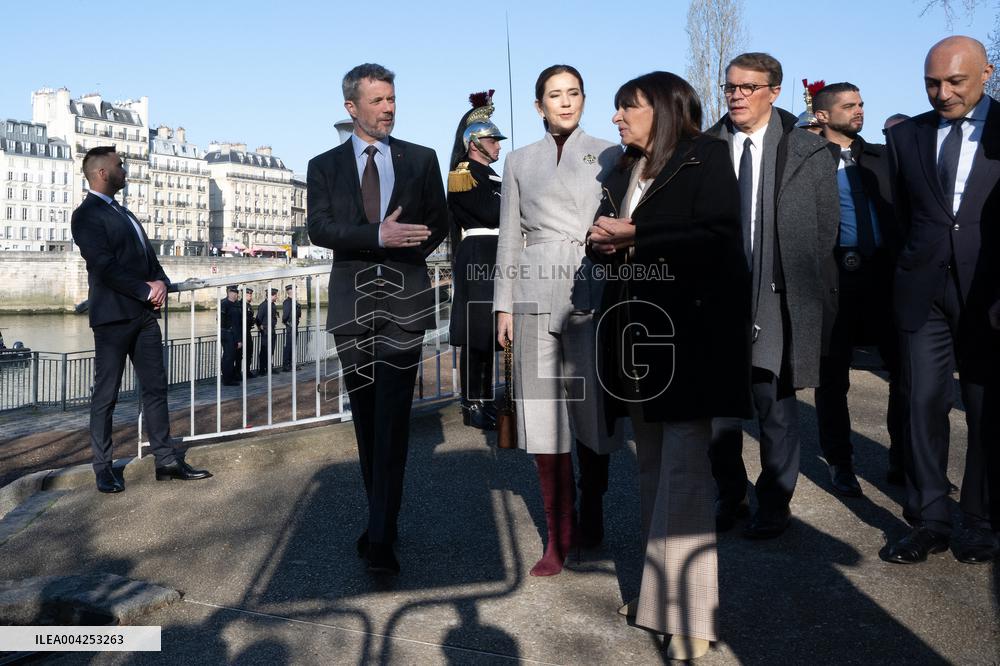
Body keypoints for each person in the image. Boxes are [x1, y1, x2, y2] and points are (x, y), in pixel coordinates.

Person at [588, 71, 751, 662]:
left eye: (626, 107)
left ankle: (693, 618)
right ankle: (659, 601)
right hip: (635, 344)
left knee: (684, 480)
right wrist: (601, 240)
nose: (616, 118)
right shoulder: (625, 170)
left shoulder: (707, 156)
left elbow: (719, 237)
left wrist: (638, 233)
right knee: (652, 473)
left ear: (661, 108)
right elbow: (611, 238)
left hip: (687, 342)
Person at [307, 63, 448, 575]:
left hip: (404, 305)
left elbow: (439, 221)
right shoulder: (323, 166)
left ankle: (382, 536)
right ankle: (379, 519)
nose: (388, 108)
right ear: (352, 107)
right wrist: (377, 236)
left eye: (392, 99)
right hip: (353, 307)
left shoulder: (421, 158)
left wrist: (404, 253)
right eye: (378, 101)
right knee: (366, 423)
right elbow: (319, 228)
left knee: (392, 421)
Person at [493, 64, 622, 577]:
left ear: (584, 99)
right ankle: (557, 533)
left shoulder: (611, 153)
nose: (565, 102)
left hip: (591, 284)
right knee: (541, 412)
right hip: (532, 290)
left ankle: (593, 505)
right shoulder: (518, 160)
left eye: (573, 93)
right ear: (538, 105)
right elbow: (508, 237)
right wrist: (503, 304)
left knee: (591, 411)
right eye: (554, 94)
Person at [705, 52, 840, 539]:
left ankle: (775, 504)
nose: (736, 96)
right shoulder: (705, 148)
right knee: (719, 415)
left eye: (748, 87)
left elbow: (825, 229)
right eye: (730, 87)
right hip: (717, 299)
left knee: (775, 408)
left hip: (778, 293)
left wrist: (791, 282)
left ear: (774, 92)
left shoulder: (808, 151)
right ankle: (730, 496)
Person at [884, 36, 1000, 565]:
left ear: (987, 73)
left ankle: (980, 520)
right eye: (932, 83)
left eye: (955, 81)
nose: (942, 93)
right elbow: (902, 216)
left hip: (988, 295)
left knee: (986, 409)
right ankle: (929, 519)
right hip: (922, 291)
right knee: (921, 404)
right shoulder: (906, 136)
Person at [71, 146, 211, 493]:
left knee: (156, 389)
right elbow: (103, 266)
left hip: (144, 315)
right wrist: (145, 290)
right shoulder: (86, 215)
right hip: (113, 318)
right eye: (120, 165)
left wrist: (161, 282)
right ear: (102, 173)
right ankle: (103, 468)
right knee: (106, 395)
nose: (125, 170)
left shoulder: (125, 212)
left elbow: (148, 257)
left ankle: (165, 460)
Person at [812, 82, 905, 495]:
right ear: (822, 115)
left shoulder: (883, 159)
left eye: (861, 104)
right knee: (832, 378)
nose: (859, 110)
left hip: (886, 275)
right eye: (849, 105)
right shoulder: (810, 163)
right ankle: (840, 463)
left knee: (904, 371)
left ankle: (903, 458)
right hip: (834, 276)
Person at [447, 90, 506, 430]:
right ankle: (474, 403)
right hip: (479, 255)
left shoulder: (495, 176)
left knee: (495, 331)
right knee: (477, 333)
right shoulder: (463, 174)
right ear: (474, 144)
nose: (498, 146)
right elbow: (489, 212)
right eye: (492, 140)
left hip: (500, 253)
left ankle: (489, 398)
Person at [255, 288, 281, 375]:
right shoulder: (263, 306)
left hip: (272, 330)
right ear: (271, 296)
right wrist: (260, 328)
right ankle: (262, 369)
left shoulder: (273, 305)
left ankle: (269, 367)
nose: (276, 297)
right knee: (264, 351)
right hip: (266, 332)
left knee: (271, 350)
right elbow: (258, 319)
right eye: (275, 296)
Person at [220, 285, 241, 386]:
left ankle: (229, 377)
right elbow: (232, 324)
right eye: (235, 293)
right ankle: (227, 379)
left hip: (230, 334)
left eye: (237, 293)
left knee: (230, 357)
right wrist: (238, 340)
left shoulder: (235, 304)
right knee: (229, 357)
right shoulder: (225, 304)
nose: (237, 295)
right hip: (228, 335)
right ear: (230, 293)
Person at [281, 284, 302, 372]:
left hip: (295, 326)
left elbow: (299, 315)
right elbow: (285, 316)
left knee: (293, 346)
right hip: (290, 327)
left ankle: (292, 364)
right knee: (289, 346)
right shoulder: (287, 302)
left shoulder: (295, 302)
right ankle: (286, 365)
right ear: (291, 291)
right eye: (295, 290)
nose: (296, 292)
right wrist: (286, 323)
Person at [239, 287, 257, 379]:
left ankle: (247, 371)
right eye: (249, 295)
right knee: (239, 355)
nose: (251, 296)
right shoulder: (240, 305)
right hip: (241, 333)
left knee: (249, 352)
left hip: (247, 332)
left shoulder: (248, 306)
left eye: (251, 294)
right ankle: (237, 373)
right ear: (245, 295)